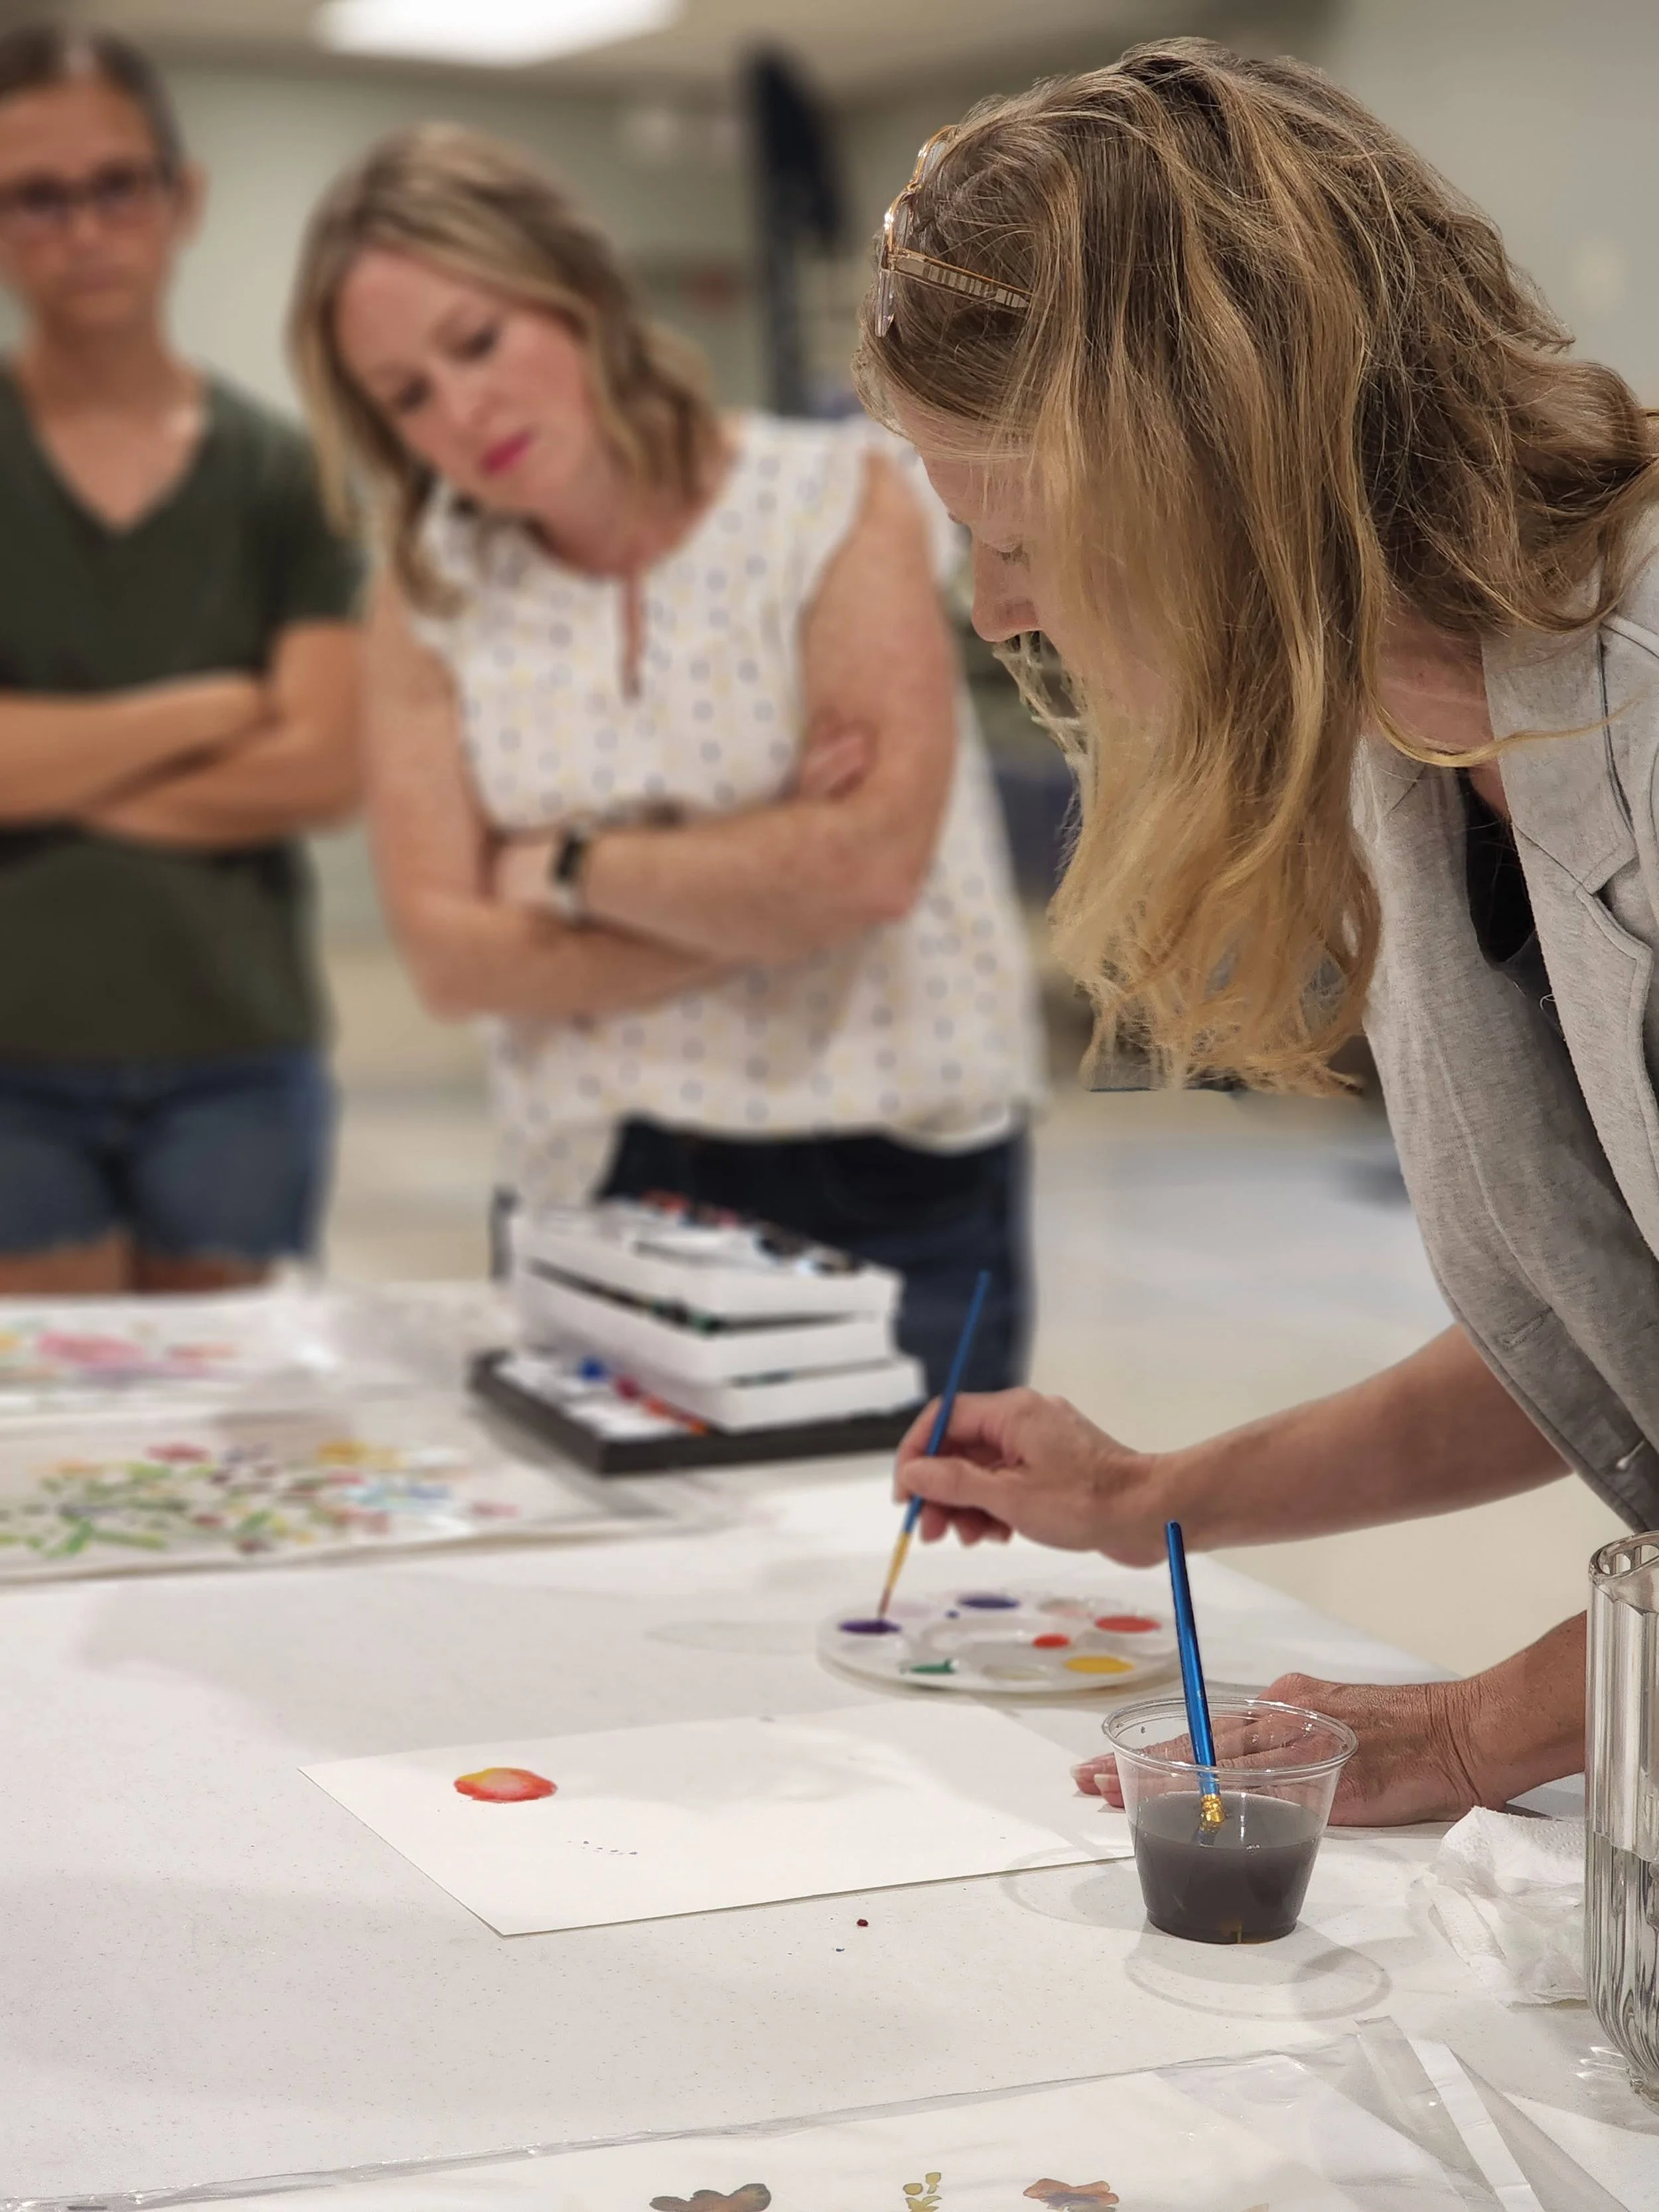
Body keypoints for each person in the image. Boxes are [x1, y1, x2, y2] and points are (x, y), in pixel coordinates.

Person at [858, 39, 1659, 1820]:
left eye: (1014, 530)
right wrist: (1161, 1495)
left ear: (1210, 457)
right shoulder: (1422, 728)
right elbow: (1601, 1322)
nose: (996, 615)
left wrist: (1470, 1732)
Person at [288, 125, 1043, 1393]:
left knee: (896, 1573)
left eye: (476, 340)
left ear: (575, 292)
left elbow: (865, 872)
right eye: (405, 393)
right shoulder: (430, 596)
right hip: (593, 1174)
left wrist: (563, 864)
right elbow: (452, 957)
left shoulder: (840, 499)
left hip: (889, 1163)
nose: (460, 410)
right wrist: (764, 882)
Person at [0, 25, 362, 1295]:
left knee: (219, 1449)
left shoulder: (283, 471)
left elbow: (322, 766)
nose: (84, 228)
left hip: (238, 1058)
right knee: (43, 1461)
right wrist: (210, 706)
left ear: (180, 195)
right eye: (35, 198)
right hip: (12, 1060)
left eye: (117, 184)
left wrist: (52, 762)